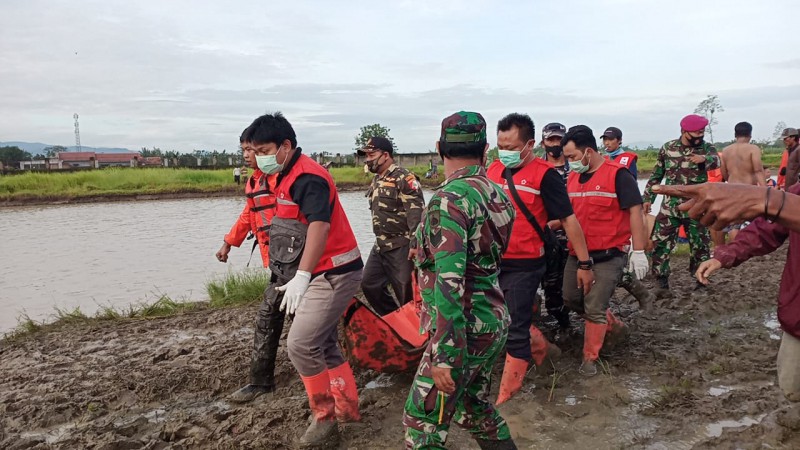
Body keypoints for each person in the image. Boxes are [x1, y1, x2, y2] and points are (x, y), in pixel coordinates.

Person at [244, 112, 364, 448]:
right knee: (323, 343)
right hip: (318, 271)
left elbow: (319, 226)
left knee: (300, 344)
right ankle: (347, 409)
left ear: (285, 146)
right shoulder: (284, 174)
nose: (258, 156)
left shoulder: (307, 177)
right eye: (254, 150)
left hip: (334, 272)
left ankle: (325, 420)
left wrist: (303, 276)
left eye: (264, 149)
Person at [403, 111, 518, 450]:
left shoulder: (449, 199)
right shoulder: (496, 194)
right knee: (475, 409)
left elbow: (450, 280)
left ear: (439, 148)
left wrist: (445, 355)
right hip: (491, 320)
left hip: (463, 330)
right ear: (486, 151)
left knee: (422, 422)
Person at [655, 182, 799, 400]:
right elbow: (765, 231)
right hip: (797, 317)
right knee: (792, 388)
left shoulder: (776, 199)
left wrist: (765, 199)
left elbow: (773, 207)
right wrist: (724, 255)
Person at [486, 114, 593, 403]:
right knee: (492, 321)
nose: (504, 151)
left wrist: (584, 264)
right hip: (492, 262)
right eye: (500, 145)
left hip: (526, 263)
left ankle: (509, 398)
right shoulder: (492, 171)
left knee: (515, 327)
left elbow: (569, 221)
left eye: (511, 145)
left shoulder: (545, 175)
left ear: (530, 144)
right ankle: (546, 353)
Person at [561, 125, 648, 375]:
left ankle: (590, 359)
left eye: (572, 157)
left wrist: (638, 250)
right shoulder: (573, 178)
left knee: (595, 305)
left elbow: (635, 212)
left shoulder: (618, 175)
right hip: (577, 255)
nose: (570, 163)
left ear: (588, 151)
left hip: (609, 255)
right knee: (571, 297)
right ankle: (613, 325)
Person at [218, 130, 284, 404]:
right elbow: (249, 214)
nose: (247, 155)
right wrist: (228, 243)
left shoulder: (284, 180)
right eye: (244, 149)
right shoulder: (255, 181)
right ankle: (261, 382)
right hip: (278, 261)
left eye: (253, 149)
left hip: (297, 264)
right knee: (278, 319)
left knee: (271, 319)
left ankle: (261, 383)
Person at [643, 114, 719, 297]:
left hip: (697, 207)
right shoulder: (668, 148)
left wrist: (705, 160)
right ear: (684, 131)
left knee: (700, 245)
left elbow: (718, 161)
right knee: (660, 243)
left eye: (702, 132)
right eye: (696, 132)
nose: (700, 135)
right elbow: (656, 175)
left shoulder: (707, 148)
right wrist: (647, 199)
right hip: (670, 207)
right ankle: (661, 282)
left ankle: (701, 281)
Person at [358, 136, 425, 316]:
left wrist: (415, 243)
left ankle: (417, 335)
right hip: (380, 245)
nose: (367, 159)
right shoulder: (377, 179)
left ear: (385, 155)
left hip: (402, 246)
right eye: (366, 156)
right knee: (369, 284)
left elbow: (416, 214)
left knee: (406, 292)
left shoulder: (404, 178)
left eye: (371, 155)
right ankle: (394, 320)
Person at [600, 126, 655, 311]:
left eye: (610, 139)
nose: (607, 143)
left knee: (615, 259)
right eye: (605, 140)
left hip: (621, 207)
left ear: (619, 141)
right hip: (604, 210)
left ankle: (640, 294)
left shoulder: (628, 159)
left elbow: (629, 186)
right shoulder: (601, 159)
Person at [539, 122, 573, 329]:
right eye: (550, 139)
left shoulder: (576, 168)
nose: (554, 144)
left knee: (571, 284)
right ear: (543, 143)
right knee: (550, 284)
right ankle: (561, 323)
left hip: (571, 236)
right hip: (546, 238)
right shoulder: (537, 170)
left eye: (558, 139)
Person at [721, 122, 765, 186]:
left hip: (732, 188)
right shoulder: (753, 149)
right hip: (748, 188)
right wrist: (766, 189)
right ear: (750, 134)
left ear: (735, 134)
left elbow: (724, 173)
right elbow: (758, 170)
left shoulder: (725, 150)